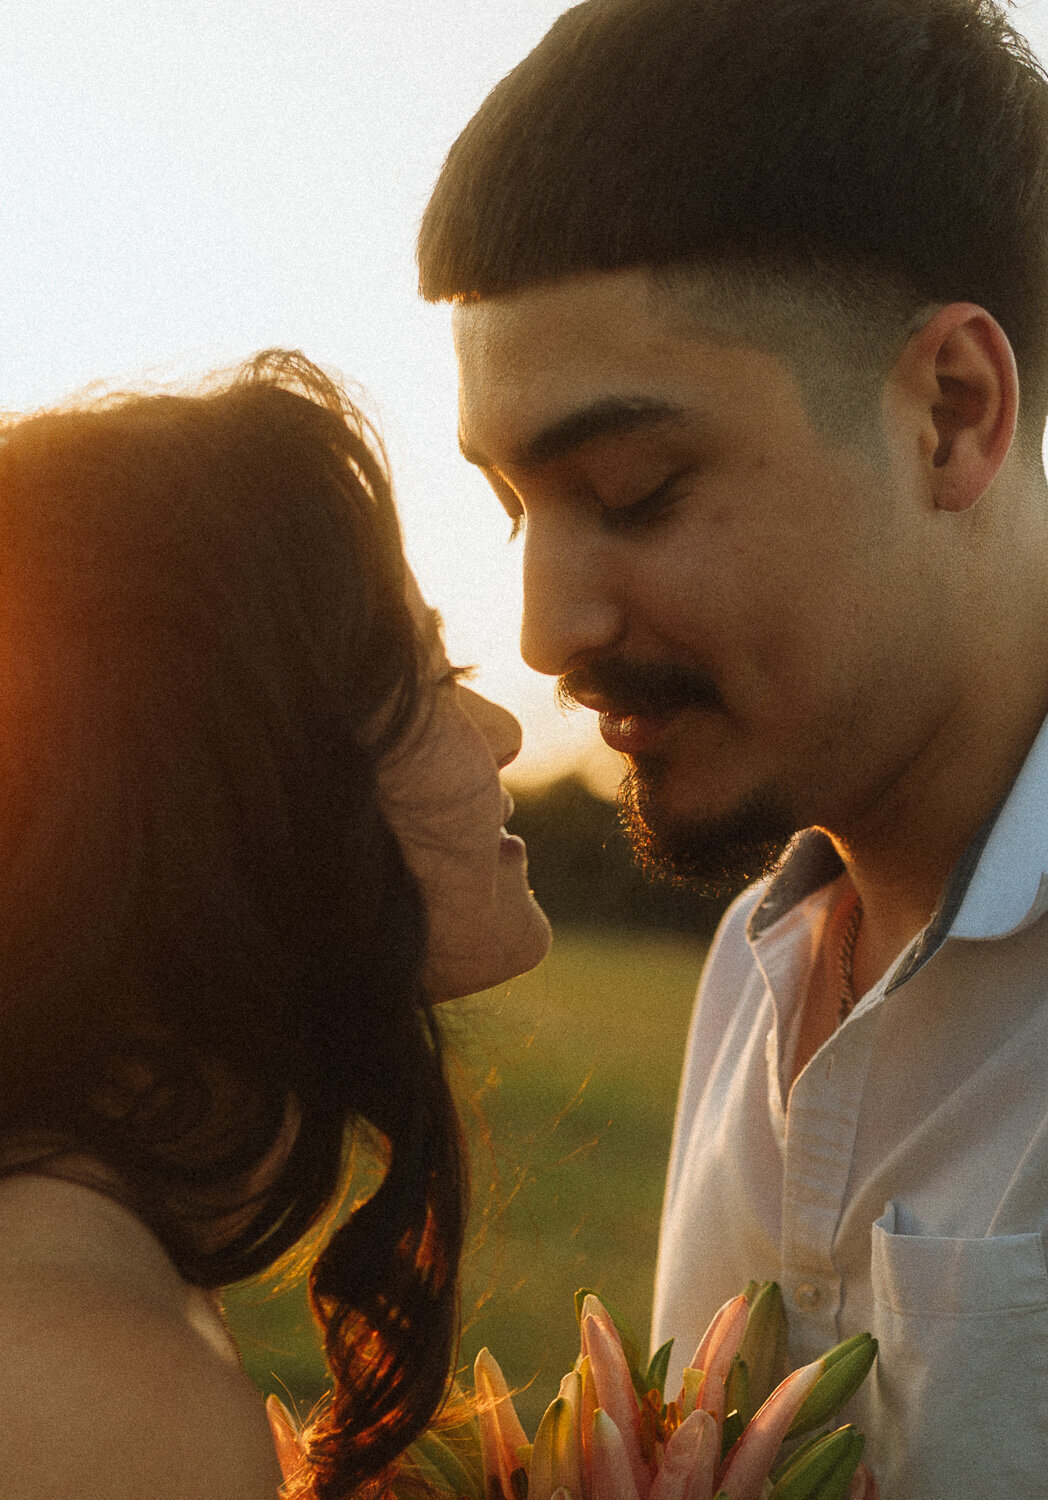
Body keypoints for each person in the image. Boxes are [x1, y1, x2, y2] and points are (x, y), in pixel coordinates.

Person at [417, 0, 1048, 1492]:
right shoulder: (750, 974)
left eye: (633, 489)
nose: (545, 628)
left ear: (951, 413)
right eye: (515, 507)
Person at [0, 349, 551, 1500]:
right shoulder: (102, 1391)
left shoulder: (87, 1276)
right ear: (243, 790)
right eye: (430, 669)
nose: (501, 730)